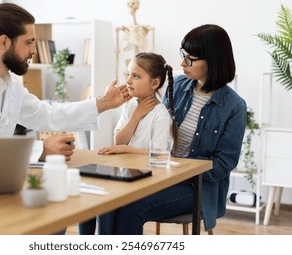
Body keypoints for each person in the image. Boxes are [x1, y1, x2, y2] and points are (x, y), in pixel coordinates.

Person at [0, 3, 130, 161]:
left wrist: (104, 103)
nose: (34, 51)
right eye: (29, 42)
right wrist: (40, 150)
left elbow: (45, 114)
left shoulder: (7, 83)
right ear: (4, 42)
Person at [97, 24, 247, 234]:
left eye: (190, 59)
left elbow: (224, 164)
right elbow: (155, 125)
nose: (182, 63)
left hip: (196, 188)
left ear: (212, 61)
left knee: (132, 206)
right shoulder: (176, 85)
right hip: (160, 175)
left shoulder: (234, 107)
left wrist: (177, 167)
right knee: (110, 197)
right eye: (183, 55)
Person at [79, 52, 178, 234]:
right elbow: (119, 140)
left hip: (148, 180)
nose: (129, 81)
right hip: (127, 176)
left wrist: (125, 149)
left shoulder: (161, 115)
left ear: (154, 83)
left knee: (108, 199)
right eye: (128, 75)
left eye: (136, 76)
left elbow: (160, 155)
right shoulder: (131, 106)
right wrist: (136, 115)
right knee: (92, 194)